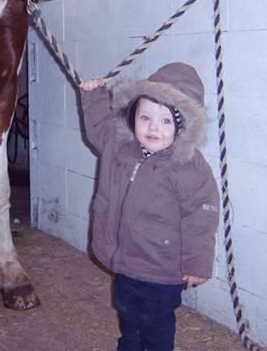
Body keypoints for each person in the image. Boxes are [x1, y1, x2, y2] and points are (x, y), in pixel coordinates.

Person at [79, 62, 220, 351]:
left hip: (162, 266)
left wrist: (197, 263)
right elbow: (98, 131)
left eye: (166, 121)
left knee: (155, 325)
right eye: (145, 117)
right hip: (124, 260)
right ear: (132, 117)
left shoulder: (189, 167)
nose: (153, 127)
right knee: (128, 317)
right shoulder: (119, 148)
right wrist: (93, 97)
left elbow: (201, 217)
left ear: (183, 126)